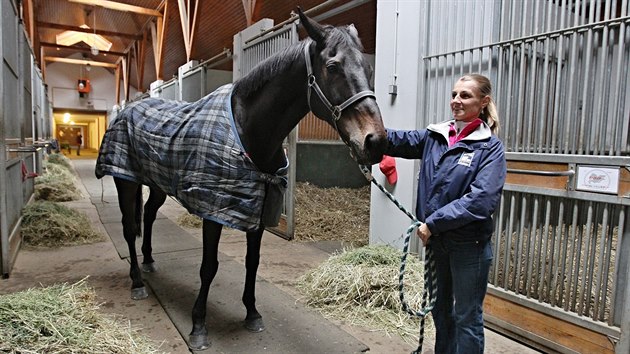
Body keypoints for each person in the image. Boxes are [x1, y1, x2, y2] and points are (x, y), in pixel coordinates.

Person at [384, 74, 506, 353]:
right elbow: (398, 140)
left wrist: (433, 224)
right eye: (454, 94)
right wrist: (365, 128)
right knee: (441, 310)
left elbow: (480, 201)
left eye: (465, 95)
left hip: (468, 246)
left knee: (467, 316)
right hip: (438, 243)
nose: (456, 101)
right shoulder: (436, 135)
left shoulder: (489, 147)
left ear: (483, 102)